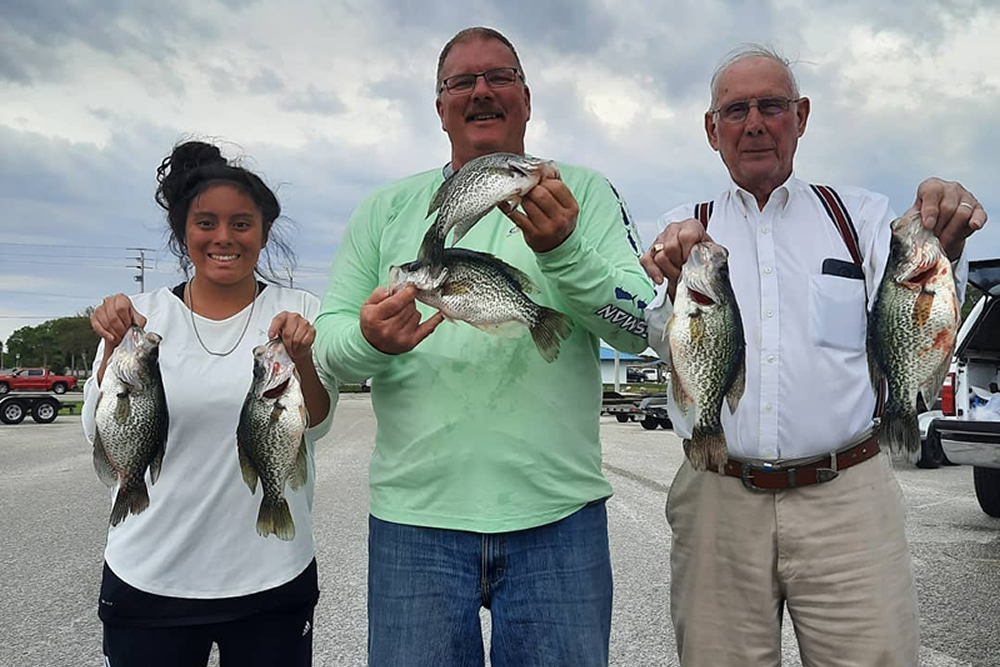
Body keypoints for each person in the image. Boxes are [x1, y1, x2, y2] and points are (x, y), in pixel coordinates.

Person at [313, 26, 653, 667]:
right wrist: (368, 340)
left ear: (526, 97)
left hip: (561, 515)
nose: (481, 91)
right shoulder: (384, 208)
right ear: (439, 106)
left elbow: (639, 330)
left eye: (499, 77)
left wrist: (565, 252)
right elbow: (330, 345)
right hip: (415, 521)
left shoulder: (585, 191)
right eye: (460, 82)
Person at [641, 44, 988, 666]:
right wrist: (665, 282)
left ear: (801, 117)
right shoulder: (682, 230)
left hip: (848, 496)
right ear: (710, 129)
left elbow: (920, 302)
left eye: (771, 106)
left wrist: (944, 236)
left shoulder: (862, 218)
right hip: (718, 495)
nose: (754, 123)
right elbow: (650, 332)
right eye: (735, 109)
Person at [82, 140, 337, 667]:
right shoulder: (139, 317)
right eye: (207, 223)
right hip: (149, 573)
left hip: (271, 575)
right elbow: (97, 429)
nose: (224, 238)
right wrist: (111, 345)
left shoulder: (300, 308)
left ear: (264, 232)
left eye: (242, 224)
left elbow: (315, 424)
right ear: (183, 232)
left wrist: (304, 358)